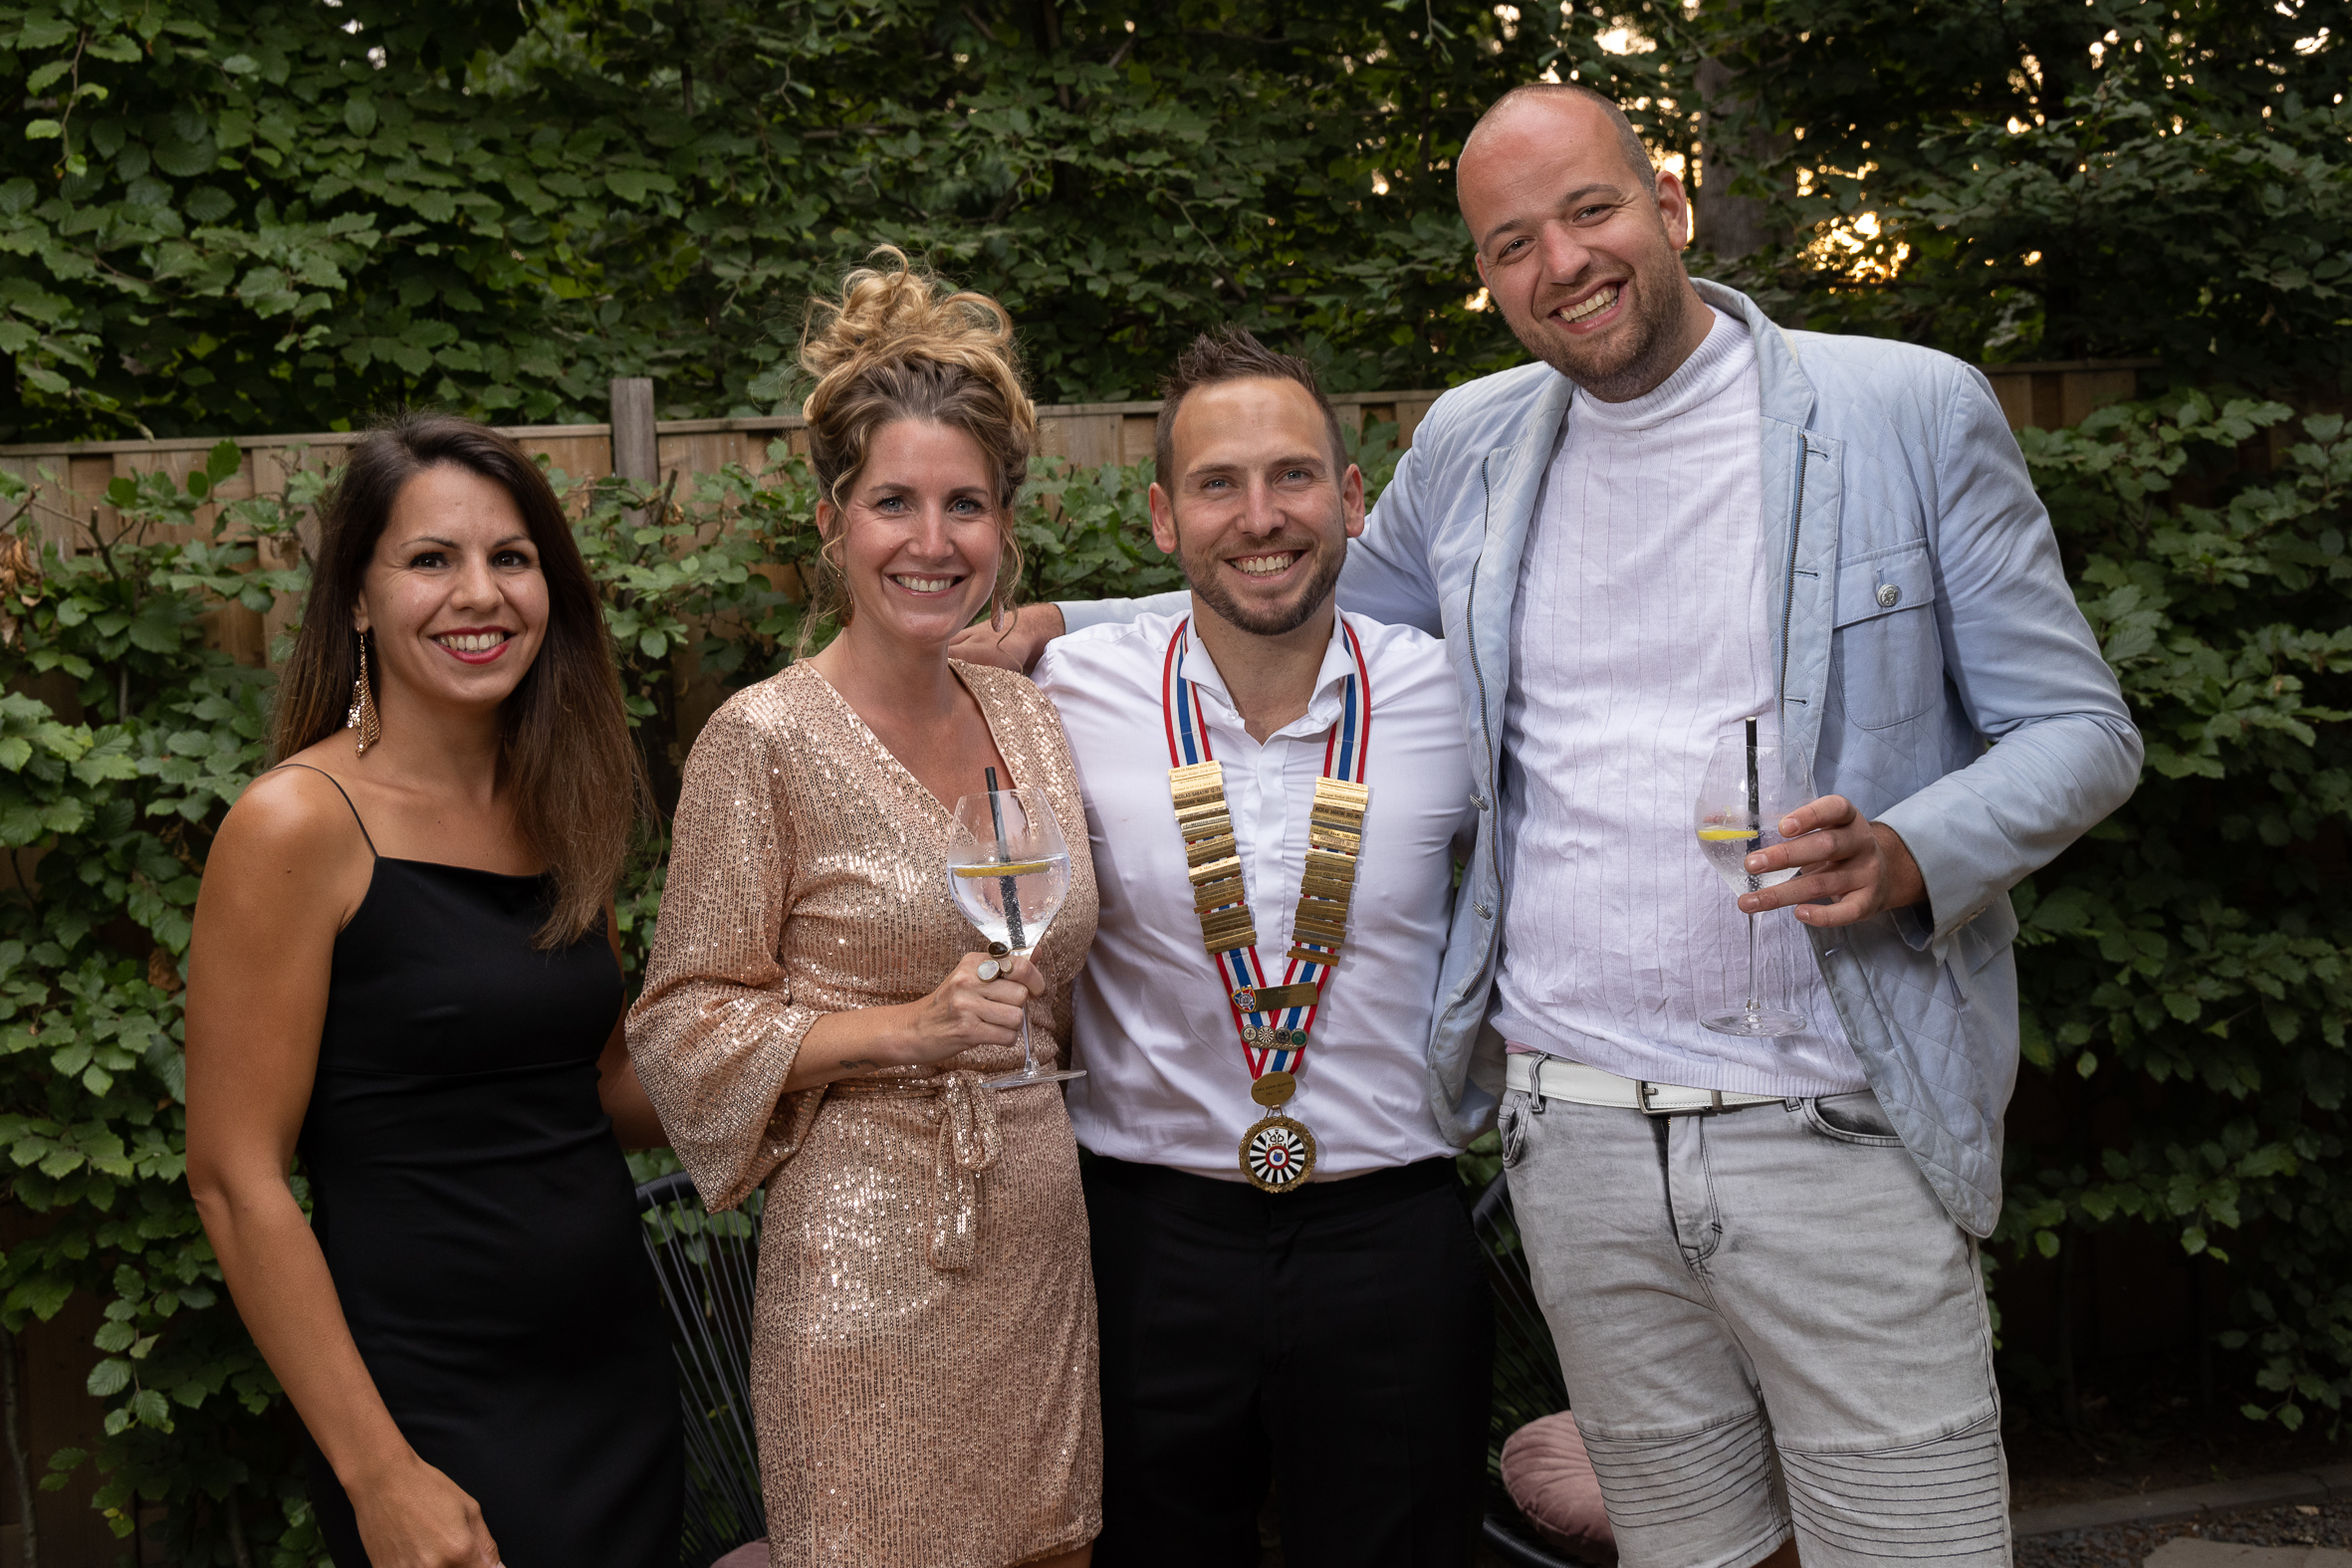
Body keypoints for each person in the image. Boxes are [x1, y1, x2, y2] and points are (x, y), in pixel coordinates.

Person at [956, 83, 2144, 1568]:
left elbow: (2082, 730)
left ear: (1669, 203)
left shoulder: (1903, 409)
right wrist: (1068, 624)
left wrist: (1912, 850)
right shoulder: (1476, 441)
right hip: (1573, 1138)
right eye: (1511, 242)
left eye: (1589, 211)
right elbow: (1293, 591)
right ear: (1484, 274)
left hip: (1830, 1115)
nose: (1561, 262)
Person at [626, 249, 1101, 1568]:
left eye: (966, 505)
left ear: (1004, 527)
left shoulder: (1029, 717)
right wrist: (904, 1030)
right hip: (863, 1269)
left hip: (1039, 1241)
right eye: (895, 501)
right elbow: (681, 1024)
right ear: (834, 519)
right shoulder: (762, 740)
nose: (932, 541)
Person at [184, 413, 681, 1568]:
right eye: (430, 559)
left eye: (511, 558)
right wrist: (379, 1473)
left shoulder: (560, 804)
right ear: (357, 599)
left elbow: (606, 1084)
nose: (481, 594)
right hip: (429, 1414)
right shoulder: (295, 824)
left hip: (614, 1382)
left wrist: (811, 1048)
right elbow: (235, 1181)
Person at [1032, 328, 1493, 1567]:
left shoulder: (1455, 693)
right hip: (1145, 1240)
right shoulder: (1061, 691)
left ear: (1351, 498)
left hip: (1390, 1237)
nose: (1259, 516)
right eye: (1216, 484)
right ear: (1160, 520)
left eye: (1292, 475)